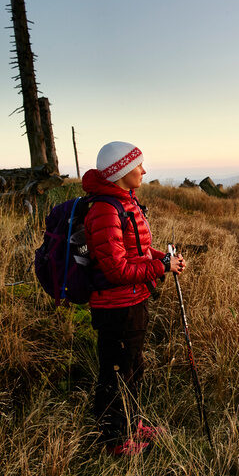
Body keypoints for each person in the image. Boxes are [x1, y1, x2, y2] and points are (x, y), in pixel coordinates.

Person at [81, 141, 186, 456]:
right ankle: (113, 440)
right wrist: (162, 267)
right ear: (122, 171)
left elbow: (135, 252)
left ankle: (132, 422)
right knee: (116, 372)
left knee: (132, 367)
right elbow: (116, 270)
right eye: (138, 165)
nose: (144, 170)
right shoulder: (104, 209)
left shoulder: (123, 202)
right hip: (116, 306)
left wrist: (162, 258)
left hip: (132, 300)